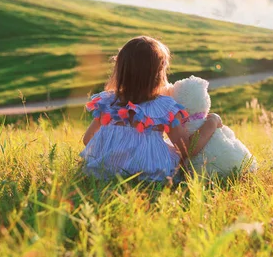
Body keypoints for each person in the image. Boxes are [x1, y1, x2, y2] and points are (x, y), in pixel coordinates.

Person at [81, 36, 223, 182]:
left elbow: (88, 139)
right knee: (181, 165)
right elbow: (187, 149)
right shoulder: (164, 107)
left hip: (103, 171)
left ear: (120, 69)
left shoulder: (109, 102)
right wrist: (212, 121)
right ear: (159, 73)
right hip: (149, 174)